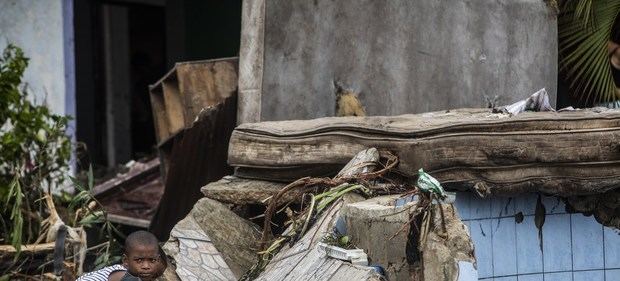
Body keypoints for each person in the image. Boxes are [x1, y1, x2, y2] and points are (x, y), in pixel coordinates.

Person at [76, 231, 166, 281]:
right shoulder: (123, 276)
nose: (146, 266)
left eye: (152, 260)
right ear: (126, 261)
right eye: (139, 260)